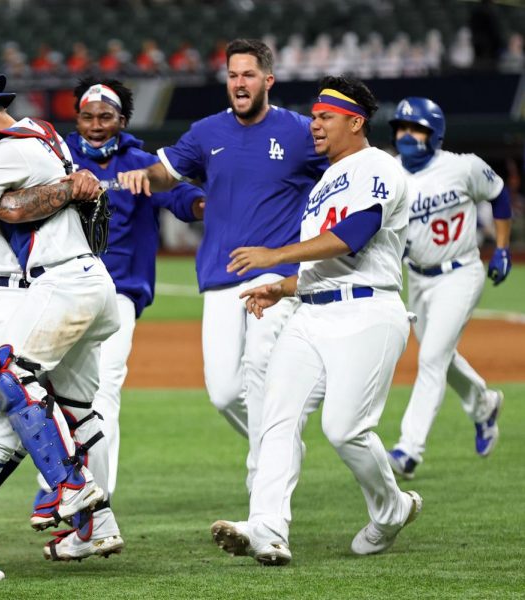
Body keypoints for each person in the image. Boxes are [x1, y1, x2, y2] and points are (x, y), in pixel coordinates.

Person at [212, 76, 422, 565]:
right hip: (311, 313)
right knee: (276, 418)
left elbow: (356, 233)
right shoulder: (324, 183)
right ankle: (266, 527)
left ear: (355, 121)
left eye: (325, 117)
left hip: (368, 312)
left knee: (346, 429)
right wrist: (282, 284)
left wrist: (275, 255)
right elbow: (323, 264)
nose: (315, 125)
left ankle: (392, 508)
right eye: (313, 116)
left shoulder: (379, 167)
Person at [118, 38, 328, 508]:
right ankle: (277, 445)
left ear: (267, 80)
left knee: (257, 371)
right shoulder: (207, 131)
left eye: (248, 74)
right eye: (232, 75)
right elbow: (165, 173)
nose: (239, 83)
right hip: (217, 276)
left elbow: (340, 174)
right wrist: (143, 177)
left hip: (272, 275)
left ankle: (264, 481)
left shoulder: (298, 132)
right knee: (223, 392)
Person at [0, 75, 119, 579]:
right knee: (39, 412)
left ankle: (73, 502)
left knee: (23, 395)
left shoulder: (9, 148)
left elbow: (4, 207)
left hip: (46, 286)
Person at [45, 78, 204, 561]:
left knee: (102, 395)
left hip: (118, 297)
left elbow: (182, 199)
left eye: (106, 116)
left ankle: (96, 510)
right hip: (62, 293)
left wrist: (207, 203)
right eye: (88, 116)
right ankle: (65, 491)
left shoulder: (139, 162)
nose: (96, 125)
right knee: (44, 396)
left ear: (123, 120)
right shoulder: (54, 158)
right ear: (77, 119)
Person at [385, 97, 510, 480]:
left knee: (431, 359)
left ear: (434, 134)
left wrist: (502, 248)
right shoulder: (390, 174)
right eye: (402, 128)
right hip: (419, 279)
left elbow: (500, 194)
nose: (406, 135)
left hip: (461, 273)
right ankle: (484, 404)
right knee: (440, 356)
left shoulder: (461, 166)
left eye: (416, 128)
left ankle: (408, 450)